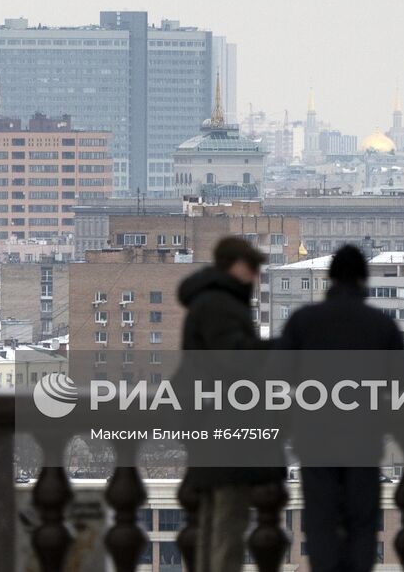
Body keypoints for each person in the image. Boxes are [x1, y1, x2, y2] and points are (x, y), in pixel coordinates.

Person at [277, 244, 404, 572]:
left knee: (321, 521)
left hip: (315, 440)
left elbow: (280, 375)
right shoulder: (380, 324)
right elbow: (400, 381)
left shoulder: (304, 321)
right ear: (363, 279)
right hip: (363, 440)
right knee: (361, 523)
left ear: (330, 278)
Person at [178, 236, 279, 572]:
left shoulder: (210, 301)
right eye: (252, 267)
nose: (256, 275)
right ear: (235, 266)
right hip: (227, 430)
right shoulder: (221, 305)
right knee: (227, 526)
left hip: (211, 425)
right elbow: (236, 361)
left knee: (212, 522)